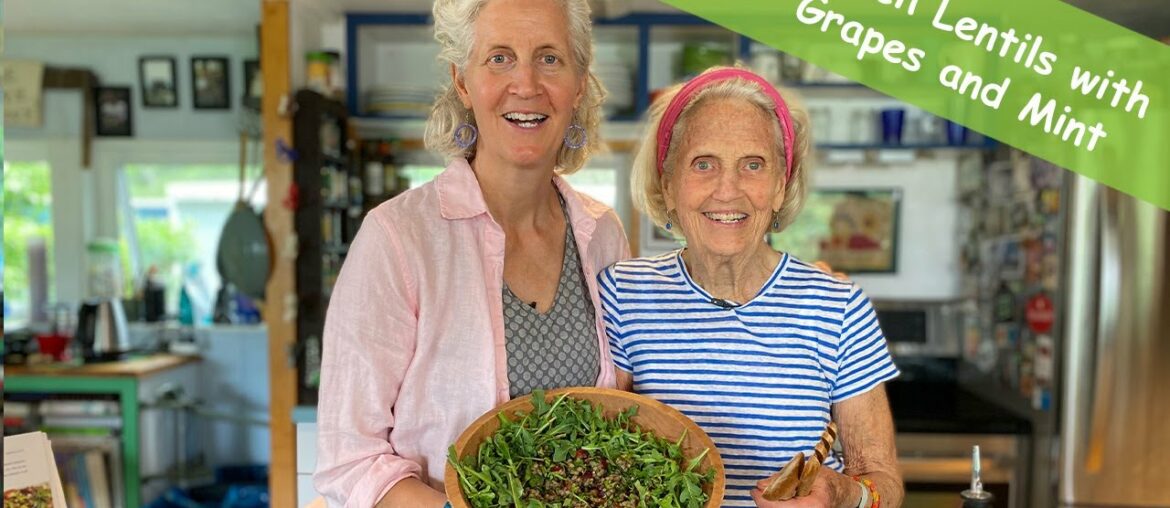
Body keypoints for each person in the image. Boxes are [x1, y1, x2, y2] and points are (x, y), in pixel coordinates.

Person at [313, 0, 628, 505]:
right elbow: (350, 460)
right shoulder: (398, 238)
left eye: (549, 58)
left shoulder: (602, 233)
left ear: (579, 82)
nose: (525, 84)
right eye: (499, 58)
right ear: (463, 81)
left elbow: (619, 418)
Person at [600, 67, 904, 508]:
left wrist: (842, 495)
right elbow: (596, 451)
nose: (728, 190)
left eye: (753, 165)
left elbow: (884, 484)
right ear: (667, 186)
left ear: (781, 187)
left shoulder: (837, 307)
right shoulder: (622, 295)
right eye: (703, 164)